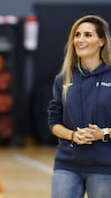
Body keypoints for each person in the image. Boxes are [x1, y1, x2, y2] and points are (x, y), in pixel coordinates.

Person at [48, 14, 111, 198]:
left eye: (87, 35)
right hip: (67, 165)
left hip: (105, 167)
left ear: (101, 41)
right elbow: (54, 122)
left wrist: (104, 133)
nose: (80, 40)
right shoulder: (63, 79)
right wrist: (73, 135)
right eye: (77, 35)